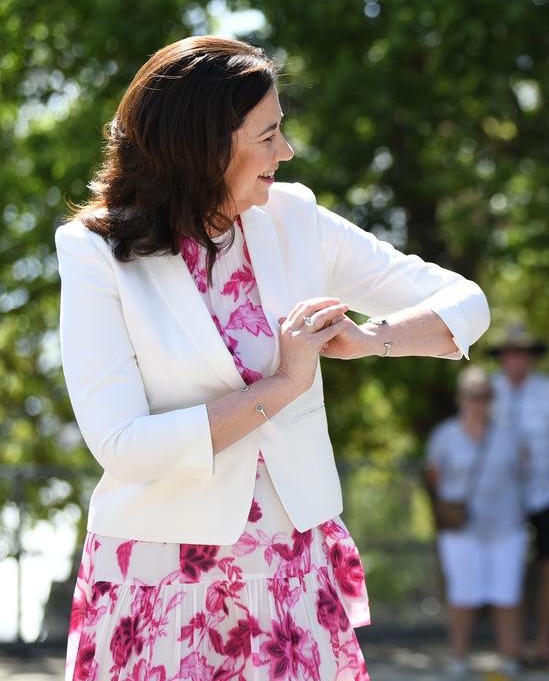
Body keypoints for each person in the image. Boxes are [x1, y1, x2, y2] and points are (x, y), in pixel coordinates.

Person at [56, 36, 489, 681]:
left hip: (293, 574)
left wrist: (371, 339)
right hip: (158, 580)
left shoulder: (297, 219)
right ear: (205, 145)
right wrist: (283, 384)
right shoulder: (94, 253)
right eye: (268, 134)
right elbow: (123, 446)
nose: (285, 151)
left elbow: (466, 303)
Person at [489, 324, 549, 665]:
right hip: (500, 496)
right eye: (509, 353)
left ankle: (545, 643)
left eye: (522, 353)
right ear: (501, 358)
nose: (515, 360)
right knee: (504, 567)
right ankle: (509, 648)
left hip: (547, 492)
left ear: (530, 358)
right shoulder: (487, 391)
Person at [425, 366, 527, 678]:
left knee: (506, 596)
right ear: (461, 398)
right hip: (461, 530)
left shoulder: (509, 436)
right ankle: (458, 658)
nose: (477, 402)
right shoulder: (444, 435)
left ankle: (509, 659)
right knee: (462, 595)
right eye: (472, 395)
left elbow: (523, 472)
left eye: (484, 396)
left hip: (506, 526)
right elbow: (434, 476)